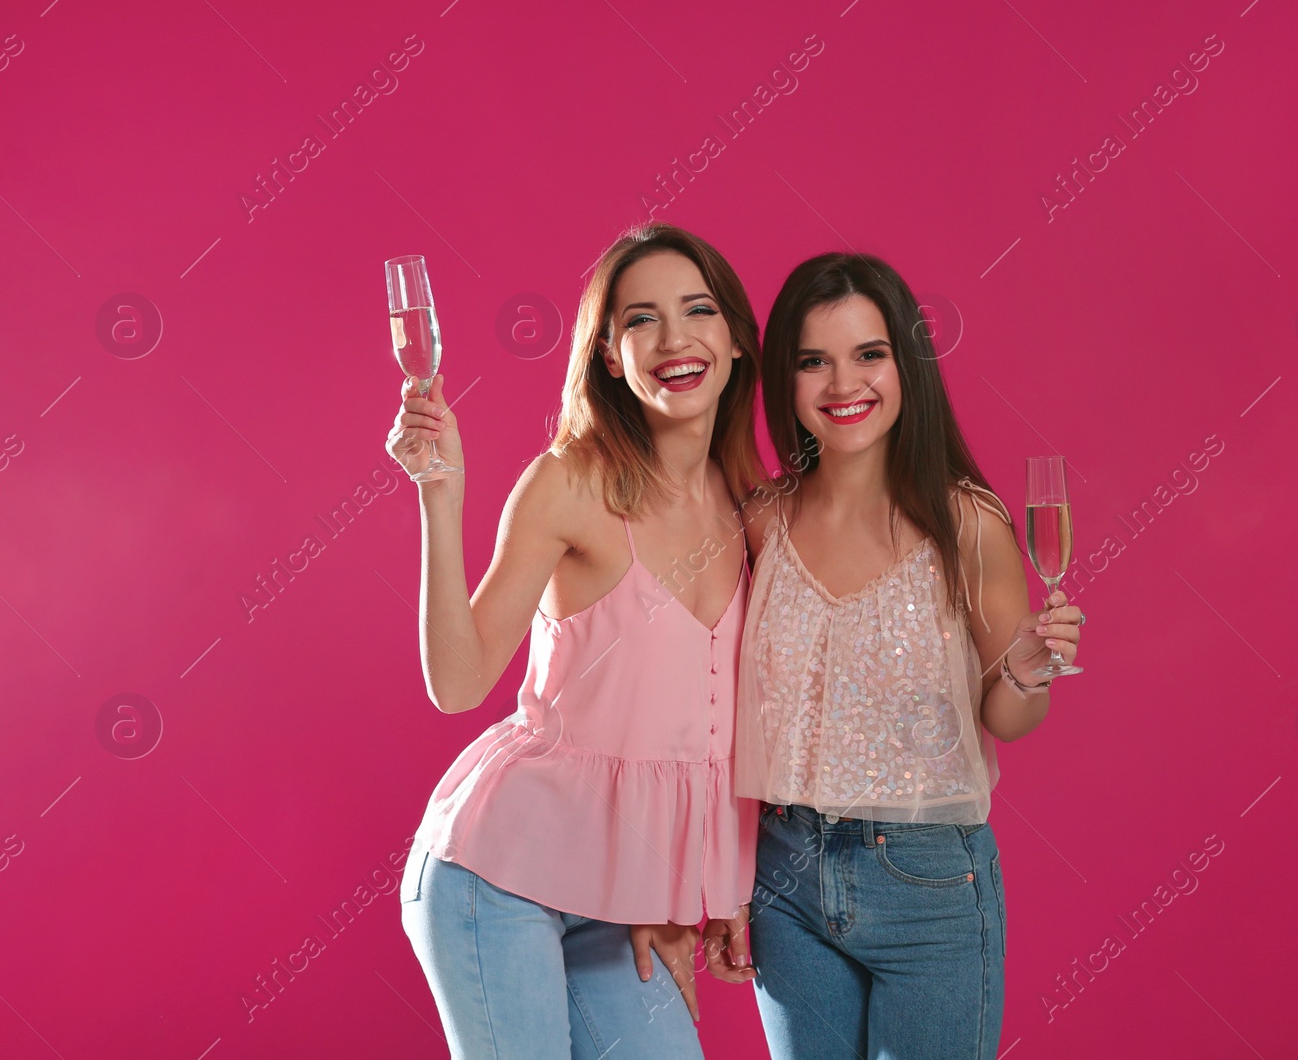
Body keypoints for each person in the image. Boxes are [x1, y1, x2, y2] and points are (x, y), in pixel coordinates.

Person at [388, 223, 765, 1058]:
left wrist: (692, 893)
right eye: (640, 320)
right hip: (497, 876)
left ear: (737, 340)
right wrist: (439, 493)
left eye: (698, 309)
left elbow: (715, 727)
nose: (674, 339)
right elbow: (458, 681)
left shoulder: (750, 502)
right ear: (608, 355)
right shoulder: (570, 482)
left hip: (620, 899)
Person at [707, 251, 1085, 1059]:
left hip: (931, 884)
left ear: (905, 364)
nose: (844, 384)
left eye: (869, 354)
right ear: (785, 377)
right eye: (815, 361)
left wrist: (1028, 664)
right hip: (784, 876)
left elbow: (1010, 718)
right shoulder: (760, 521)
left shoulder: (966, 522)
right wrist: (721, 878)